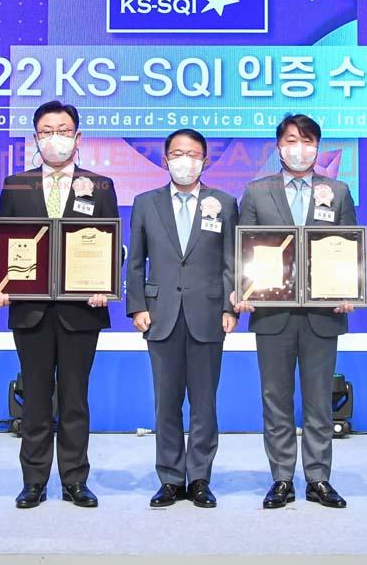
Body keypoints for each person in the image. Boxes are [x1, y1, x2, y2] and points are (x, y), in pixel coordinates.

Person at [0, 100, 117, 509]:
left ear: (78, 138)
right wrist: (2, 285)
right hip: (31, 311)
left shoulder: (100, 185)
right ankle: (34, 481)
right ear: (35, 138)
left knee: (76, 398)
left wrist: (105, 284)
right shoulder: (15, 185)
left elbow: (111, 245)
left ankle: (75, 480)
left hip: (82, 310)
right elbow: (6, 244)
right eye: (47, 132)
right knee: (36, 398)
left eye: (63, 131)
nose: (55, 139)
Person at [233, 114, 357, 509]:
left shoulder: (337, 192)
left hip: (323, 314)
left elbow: (347, 247)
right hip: (272, 313)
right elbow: (242, 250)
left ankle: (318, 478)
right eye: (290, 140)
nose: (298, 149)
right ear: (278, 147)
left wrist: (347, 289)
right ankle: (282, 478)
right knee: (276, 398)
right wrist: (242, 289)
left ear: (317, 148)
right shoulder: (256, 192)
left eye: (306, 141)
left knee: (319, 399)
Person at [126, 129, 238, 509]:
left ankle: (201, 478)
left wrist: (229, 307)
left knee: (205, 404)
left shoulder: (224, 203)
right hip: (160, 316)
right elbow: (135, 261)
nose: (184, 161)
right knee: (166, 402)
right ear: (165, 160)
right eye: (177, 154)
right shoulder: (146, 203)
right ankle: (171, 479)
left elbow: (231, 261)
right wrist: (138, 306)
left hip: (209, 314)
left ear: (205, 161)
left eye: (192, 154)